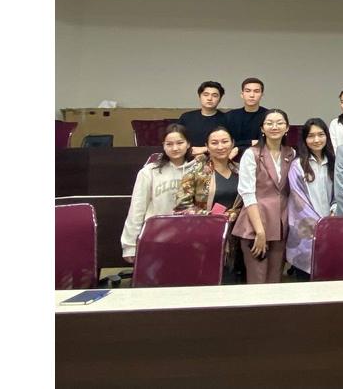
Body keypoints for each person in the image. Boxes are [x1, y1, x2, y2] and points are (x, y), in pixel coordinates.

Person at [231, 109, 295, 284]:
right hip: (255, 222)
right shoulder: (251, 154)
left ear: (287, 128)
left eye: (280, 123)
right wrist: (259, 231)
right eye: (269, 123)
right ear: (262, 128)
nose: (274, 127)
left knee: (275, 279)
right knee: (257, 280)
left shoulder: (291, 153)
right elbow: (247, 193)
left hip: (281, 224)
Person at [174, 125, 244, 283]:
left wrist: (235, 214)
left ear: (232, 143)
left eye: (225, 141)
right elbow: (181, 207)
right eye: (214, 143)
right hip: (202, 237)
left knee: (233, 282)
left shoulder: (240, 171)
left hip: (236, 236)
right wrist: (212, 217)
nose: (220, 146)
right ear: (206, 146)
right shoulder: (195, 172)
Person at [119, 123, 190, 263]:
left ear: (188, 144)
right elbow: (137, 209)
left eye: (180, 143)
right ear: (163, 146)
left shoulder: (198, 170)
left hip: (188, 238)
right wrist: (130, 245)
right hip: (155, 237)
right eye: (169, 144)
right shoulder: (149, 171)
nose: (175, 148)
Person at [287, 118, 336, 281]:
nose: (316, 140)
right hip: (306, 229)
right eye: (311, 136)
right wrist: (319, 224)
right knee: (306, 281)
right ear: (304, 140)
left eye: (321, 134)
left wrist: (333, 213)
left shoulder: (334, 163)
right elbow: (298, 200)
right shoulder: (297, 166)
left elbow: (340, 192)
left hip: (331, 226)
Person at [178, 80, 228, 158]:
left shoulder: (227, 119)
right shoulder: (186, 117)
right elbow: (177, 140)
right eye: (206, 95)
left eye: (214, 95)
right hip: (188, 158)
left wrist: (205, 149)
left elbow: (231, 144)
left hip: (216, 159)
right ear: (200, 96)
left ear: (220, 99)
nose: (210, 98)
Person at [224, 77, 267, 156]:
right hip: (232, 157)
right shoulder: (230, 116)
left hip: (261, 157)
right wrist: (250, 142)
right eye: (248, 91)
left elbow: (267, 143)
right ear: (242, 94)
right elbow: (225, 142)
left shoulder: (268, 116)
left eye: (256, 91)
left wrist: (238, 148)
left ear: (262, 95)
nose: (252, 95)